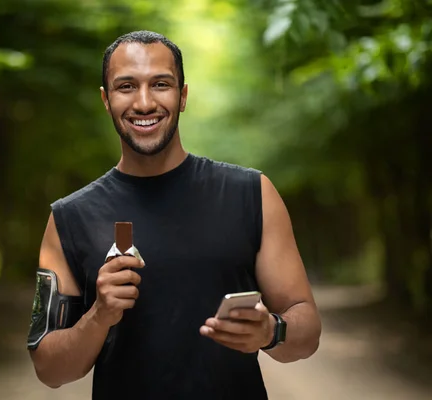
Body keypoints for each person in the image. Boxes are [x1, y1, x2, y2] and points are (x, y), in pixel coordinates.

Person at [27, 30, 322, 399]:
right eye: (126, 86)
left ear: (183, 95)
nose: (145, 102)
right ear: (106, 99)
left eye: (161, 84)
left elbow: (307, 328)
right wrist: (99, 315)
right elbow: (48, 369)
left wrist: (272, 331)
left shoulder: (252, 194)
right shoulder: (69, 219)